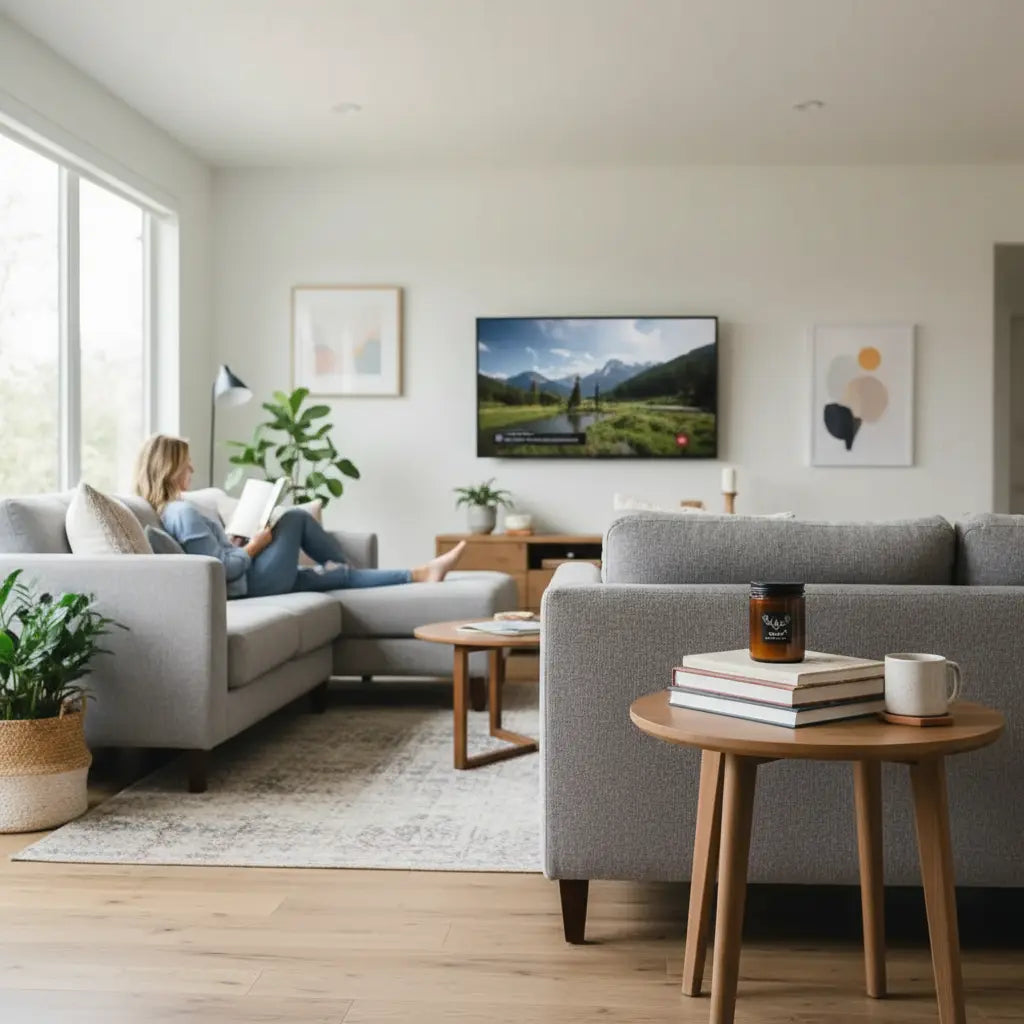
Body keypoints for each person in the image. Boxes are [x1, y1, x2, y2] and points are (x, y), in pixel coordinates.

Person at [134, 434, 466, 598]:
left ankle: (422, 573)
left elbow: (219, 556)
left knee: (334, 579)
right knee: (294, 518)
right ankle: (344, 565)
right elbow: (220, 570)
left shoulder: (176, 511)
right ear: (171, 468)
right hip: (249, 585)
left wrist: (237, 541)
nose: (192, 468)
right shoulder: (182, 512)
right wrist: (256, 545)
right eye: (186, 463)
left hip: (249, 580)